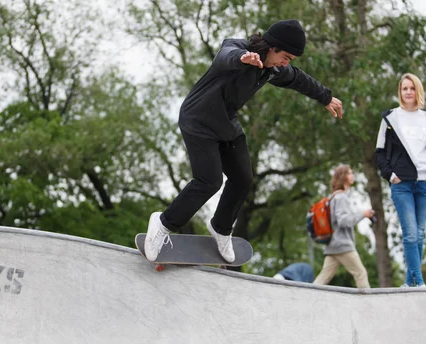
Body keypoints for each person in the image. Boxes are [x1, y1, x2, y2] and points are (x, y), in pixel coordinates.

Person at [144, 20, 344, 263]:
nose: (286, 63)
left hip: (226, 124)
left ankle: (220, 228)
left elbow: (299, 79)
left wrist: (326, 98)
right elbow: (224, 56)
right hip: (198, 120)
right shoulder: (238, 47)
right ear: (272, 47)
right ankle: (163, 224)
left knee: (243, 178)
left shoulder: (272, 69)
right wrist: (242, 58)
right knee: (209, 181)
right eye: (286, 57)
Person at [375, 73, 426, 288]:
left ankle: (409, 282)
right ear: (400, 91)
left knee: (420, 235)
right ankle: (420, 282)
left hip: (425, 184)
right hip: (401, 184)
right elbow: (379, 152)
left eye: (411, 88)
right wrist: (390, 175)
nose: (408, 92)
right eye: (404, 88)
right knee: (411, 234)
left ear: (418, 91)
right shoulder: (390, 118)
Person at [313, 165, 374, 288]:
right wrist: (362, 214)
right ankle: (368, 305)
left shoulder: (333, 197)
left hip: (332, 245)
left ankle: (306, 296)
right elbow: (343, 221)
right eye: (349, 173)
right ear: (343, 177)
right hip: (343, 245)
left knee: (324, 277)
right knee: (360, 273)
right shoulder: (341, 198)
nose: (352, 176)